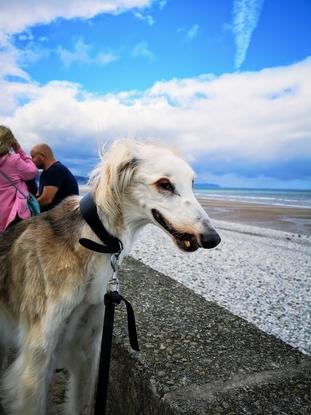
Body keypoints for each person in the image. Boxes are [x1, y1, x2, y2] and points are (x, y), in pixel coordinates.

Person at [0, 125, 38, 232]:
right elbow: (32, 171)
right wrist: (19, 151)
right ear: (10, 142)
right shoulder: (13, 161)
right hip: (13, 215)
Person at [30, 143, 79, 211]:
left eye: (33, 157)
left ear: (42, 156)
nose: (31, 160)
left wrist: (28, 208)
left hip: (64, 217)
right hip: (54, 214)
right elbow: (39, 195)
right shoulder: (45, 172)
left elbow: (46, 200)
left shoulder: (55, 170)